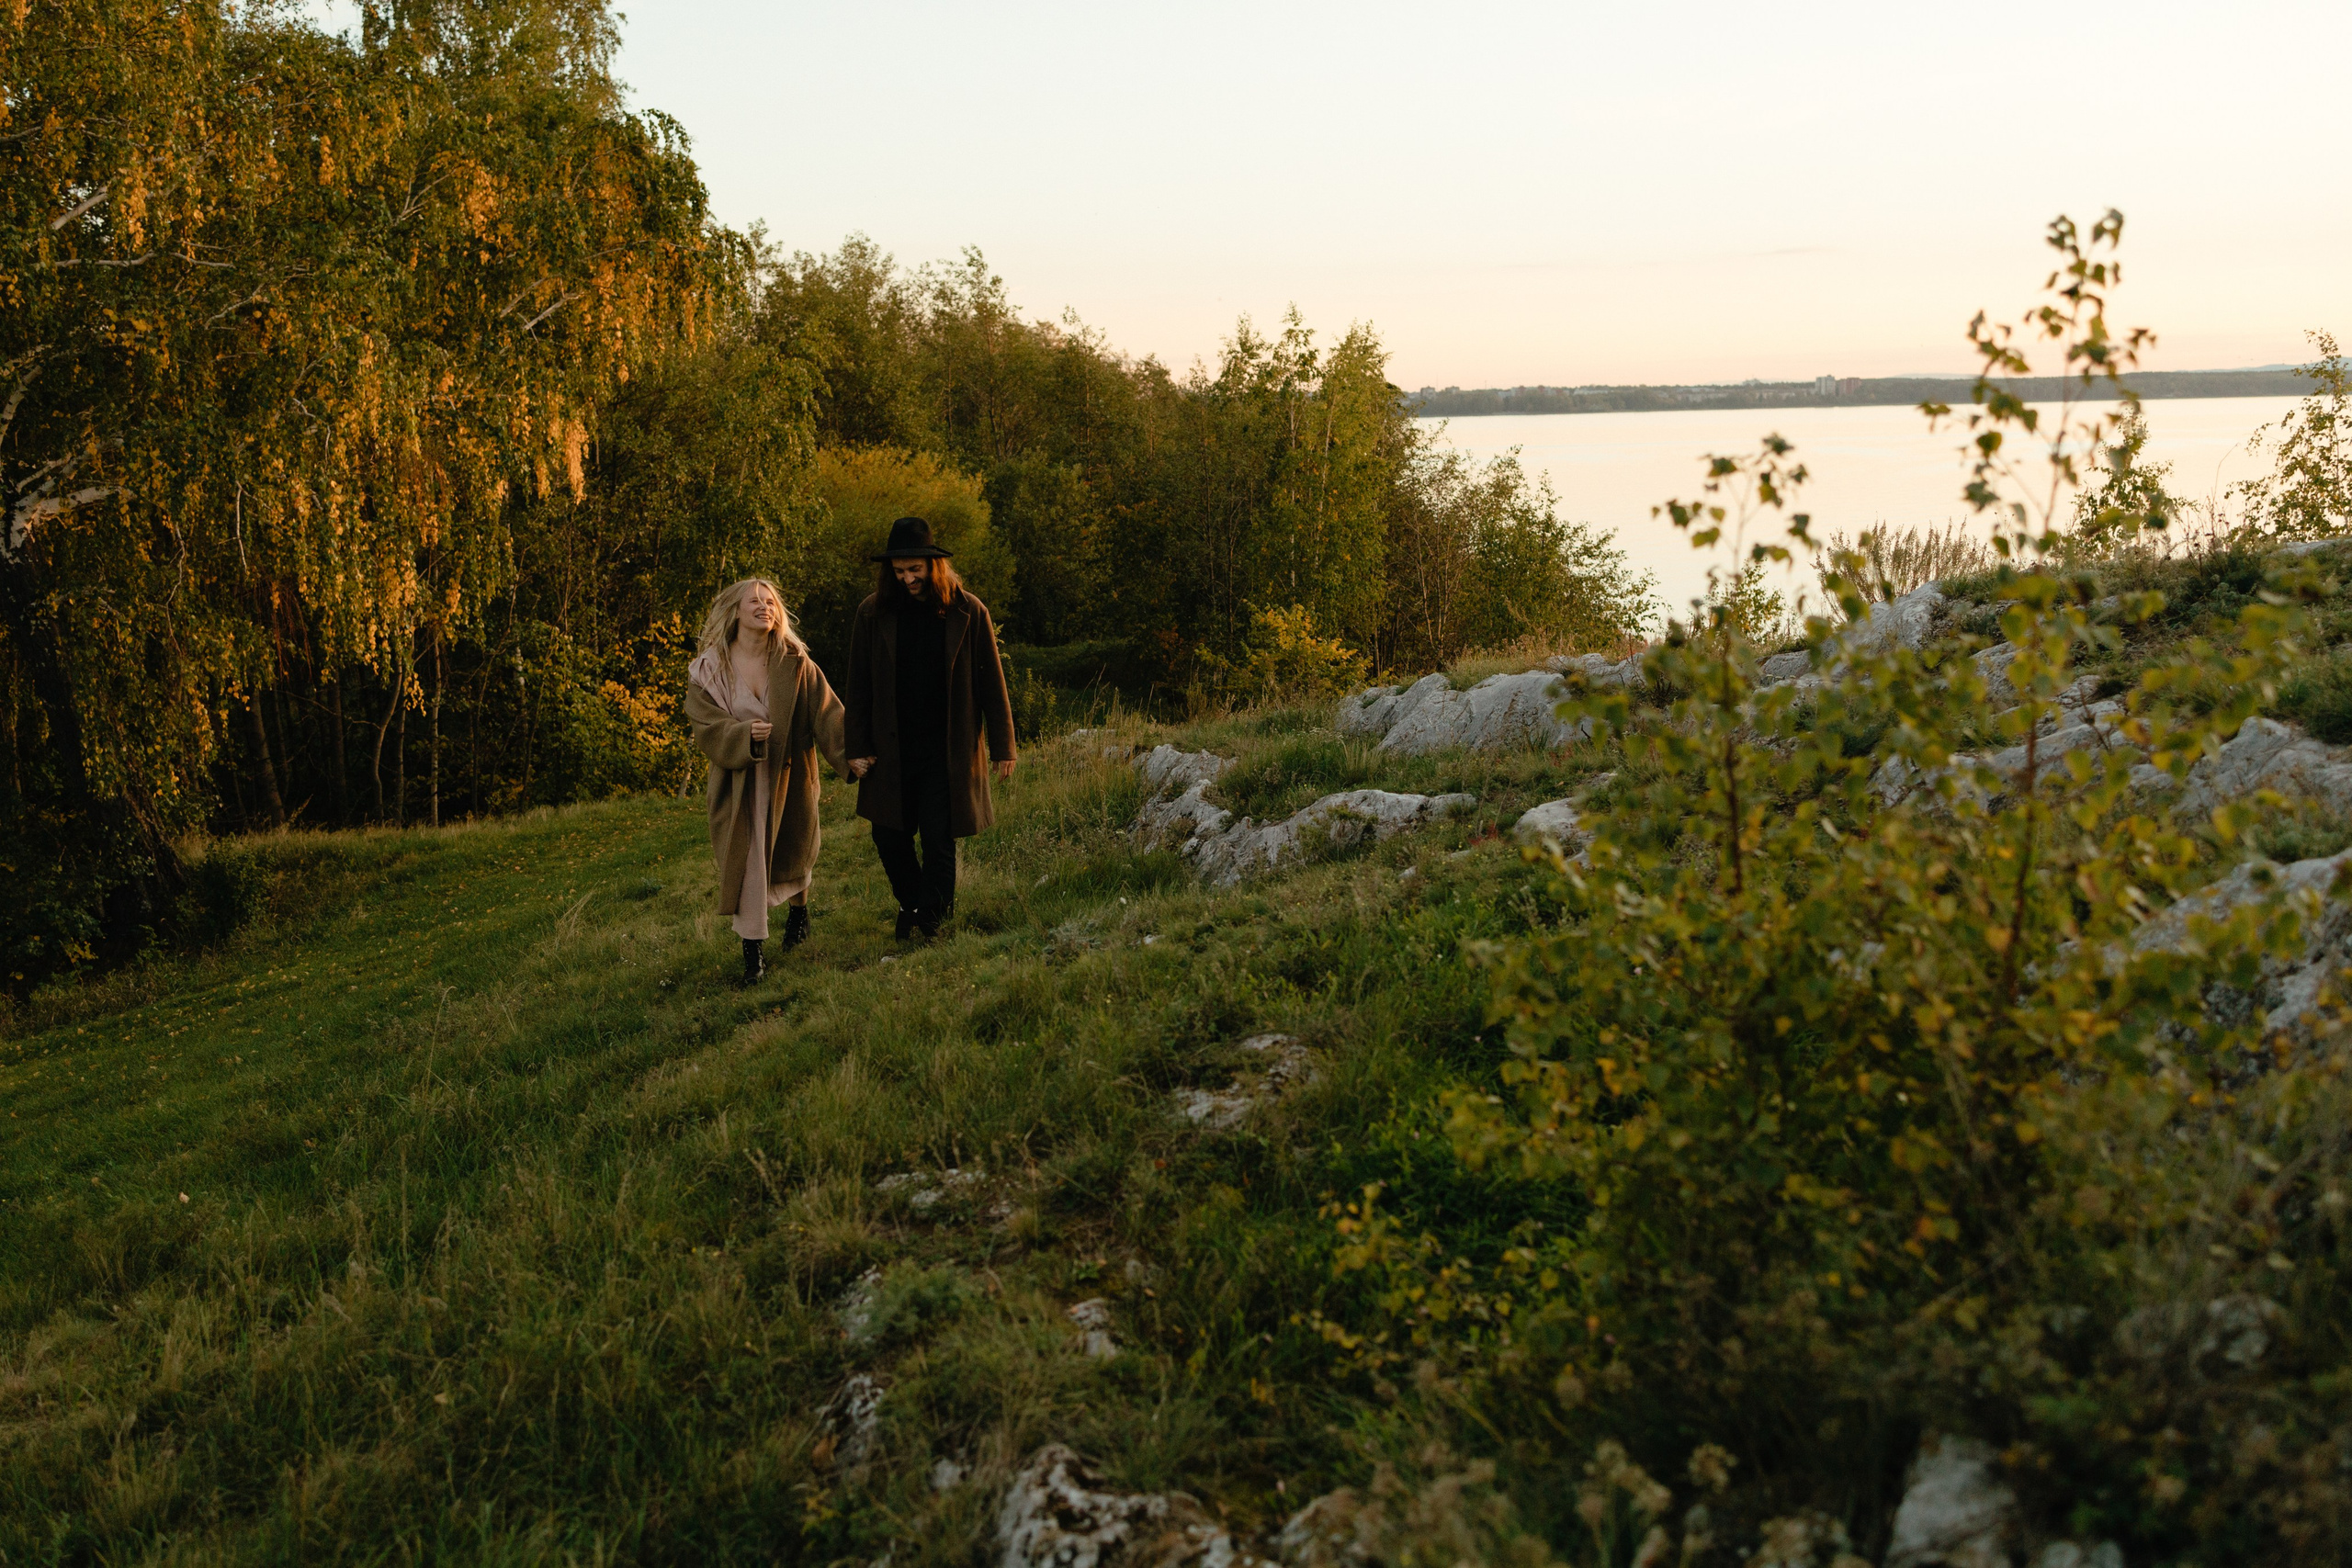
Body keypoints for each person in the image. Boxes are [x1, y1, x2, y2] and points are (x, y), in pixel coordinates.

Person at [843, 516, 1016, 938]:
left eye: (914, 570)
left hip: (948, 749)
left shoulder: (967, 610)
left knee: (939, 841)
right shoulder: (872, 612)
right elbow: (859, 684)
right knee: (888, 836)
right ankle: (914, 905)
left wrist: (1003, 746)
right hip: (891, 749)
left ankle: (933, 923)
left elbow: (992, 682)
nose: (907, 579)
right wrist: (856, 746)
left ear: (933, 565)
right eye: (899, 572)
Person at [684, 578, 853, 985]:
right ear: (734, 611)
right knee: (748, 863)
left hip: (790, 777)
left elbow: (828, 714)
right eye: (754, 601)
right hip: (739, 783)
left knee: (793, 850)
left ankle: (799, 915)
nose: (765, 607)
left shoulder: (795, 662)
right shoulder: (709, 668)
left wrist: (854, 757)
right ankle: (753, 956)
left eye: (771, 602)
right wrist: (742, 735)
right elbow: (703, 725)